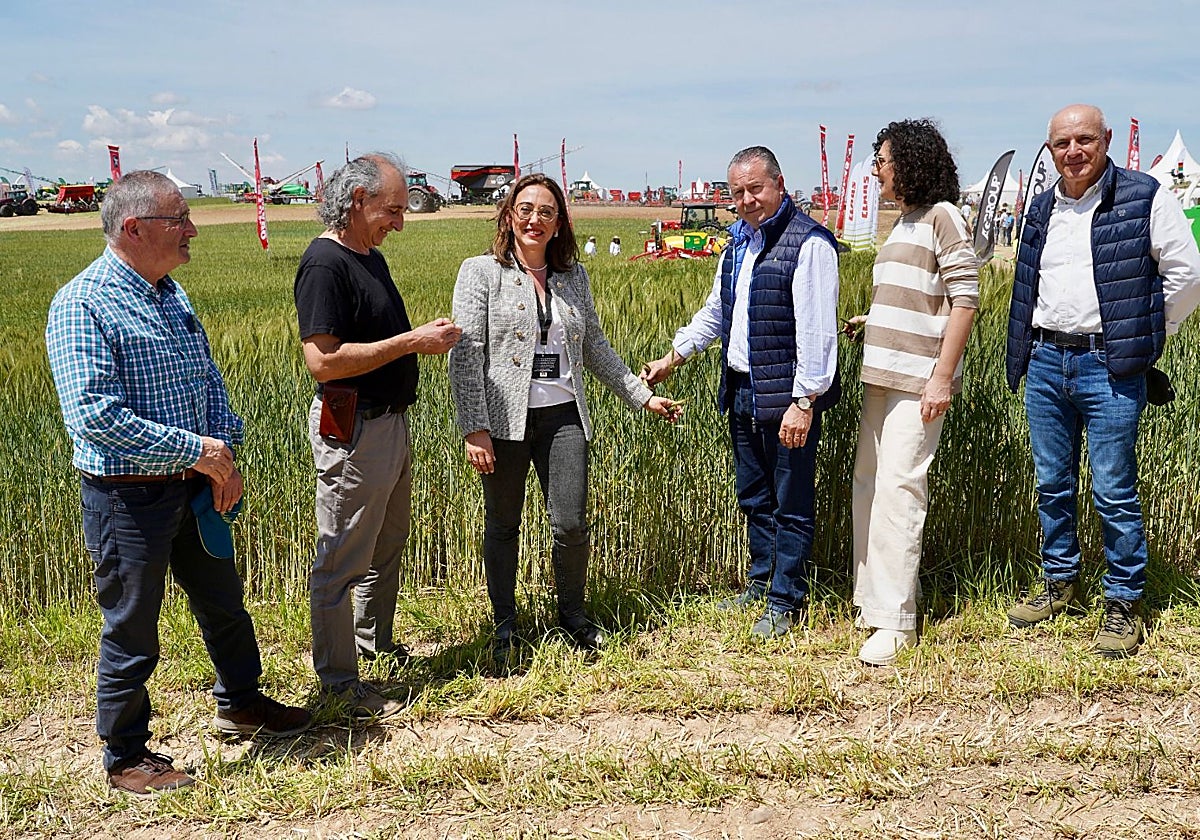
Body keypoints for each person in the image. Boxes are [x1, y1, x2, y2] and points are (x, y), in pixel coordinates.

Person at [45, 171, 312, 796]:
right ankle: (125, 756)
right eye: (179, 219)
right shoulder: (82, 303)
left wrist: (224, 453)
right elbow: (94, 414)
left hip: (192, 486)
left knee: (224, 602)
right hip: (127, 497)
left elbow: (207, 382)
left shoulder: (171, 293)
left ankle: (241, 704)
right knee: (132, 624)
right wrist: (200, 452)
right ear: (135, 229)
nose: (192, 230)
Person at [448, 173, 679, 667]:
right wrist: (474, 427)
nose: (535, 219)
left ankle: (572, 614)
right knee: (503, 524)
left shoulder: (574, 277)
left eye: (546, 212)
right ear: (509, 215)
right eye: (525, 209)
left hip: (563, 417)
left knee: (571, 522)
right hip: (504, 421)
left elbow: (594, 347)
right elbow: (465, 357)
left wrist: (642, 396)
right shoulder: (480, 272)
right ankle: (504, 624)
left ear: (559, 224)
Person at [1005, 104, 1200, 657]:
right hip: (1046, 359)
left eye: (1084, 139)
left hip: (1108, 364)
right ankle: (1060, 582)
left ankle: (1122, 601)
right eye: (1061, 142)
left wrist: (1143, 329)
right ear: (1050, 147)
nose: (1073, 151)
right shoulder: (1041, 207)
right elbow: (1027, 285)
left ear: (1106, 139)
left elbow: (1188, 273)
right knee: (1051, 482)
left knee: (1113, 488)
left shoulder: (1143, 196)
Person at [642, 146, 841, 638]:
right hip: (742, 389)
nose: (748, 200)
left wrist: (805, 401)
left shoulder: (810, 244)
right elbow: (716, 312)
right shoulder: (736, 245)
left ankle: (785, 598)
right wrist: (674, 357)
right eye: (738, 193)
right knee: (754, 496)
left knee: (790, 500)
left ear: (779, 184)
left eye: (756, 188)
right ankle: (760, 582)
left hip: (788, 396)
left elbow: (818, 332)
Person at [294, 154, 461, 716]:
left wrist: (415, 341)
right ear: (358, 200)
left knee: (385, 544)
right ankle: (339, 683)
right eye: (392, 209)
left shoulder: (367, 255)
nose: (400, 222)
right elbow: (323, 362)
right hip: (355, 430)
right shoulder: (325, 264)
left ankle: (374, 645)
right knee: (342, 557)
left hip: (389, 423)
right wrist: (412, 342)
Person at [844, 120, 980, 666]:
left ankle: (897, 622)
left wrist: (942, 378)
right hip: (881, 372)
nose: (875, 168)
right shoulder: (902, 223)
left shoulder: (944, 216)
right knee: (870, 487)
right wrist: (870, 318)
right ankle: (873, 602)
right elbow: (917, 298)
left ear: (910, 163)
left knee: (901, 490)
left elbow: (965, 300)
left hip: (918, 380)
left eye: (881, 159)